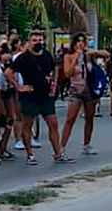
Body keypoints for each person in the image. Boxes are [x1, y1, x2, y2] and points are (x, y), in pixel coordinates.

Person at [8, 30, 72, 165]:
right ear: (29, 42)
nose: (38, 43)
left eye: (40, 40)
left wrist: (54, 85)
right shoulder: (23, 58)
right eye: (34, 40)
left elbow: (55, 68)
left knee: (53, 123)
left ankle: (58, 154)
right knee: (27, 125)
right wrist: (19, 87)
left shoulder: (46, 55)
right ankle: (30, 155)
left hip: (46, 96)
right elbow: (8, 73)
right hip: (30, 97)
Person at [61, 33, 108, 156]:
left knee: (89, 118)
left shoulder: (88, 55)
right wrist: (75, 59)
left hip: (89, 90)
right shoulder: (69, 56)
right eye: (78, 41)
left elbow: (106, 54)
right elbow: (68, 73)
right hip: (76, 90)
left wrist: (93, 52)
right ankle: (61, 147)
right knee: (70, 119)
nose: (80, 44)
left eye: (83, 41)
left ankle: (86, 144)